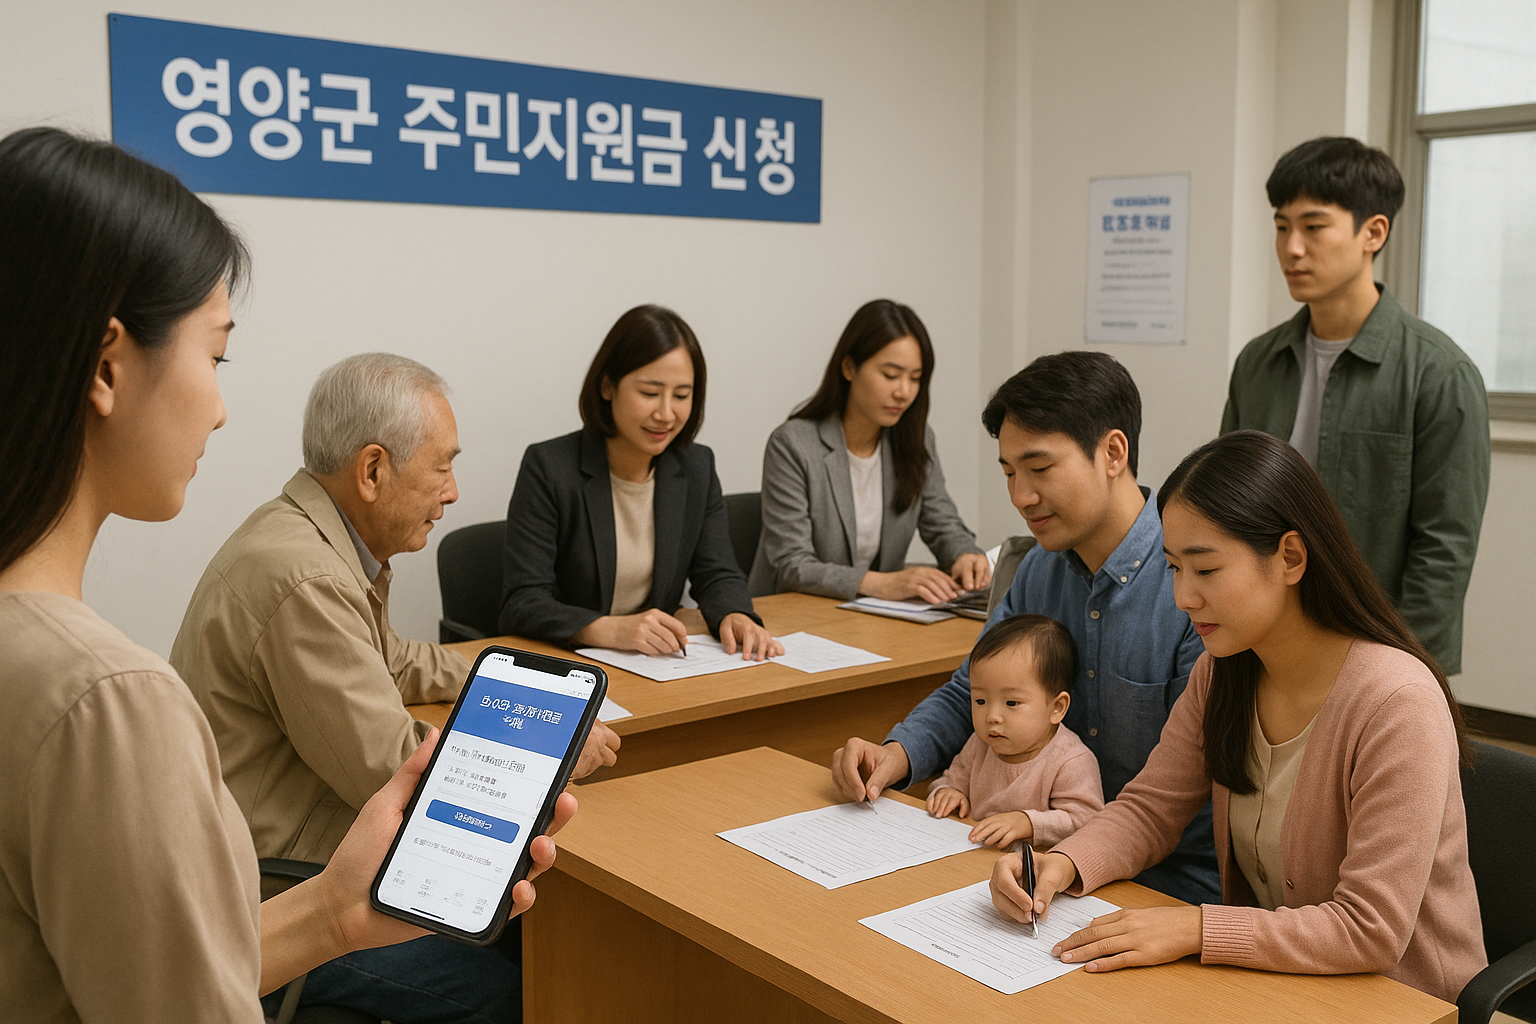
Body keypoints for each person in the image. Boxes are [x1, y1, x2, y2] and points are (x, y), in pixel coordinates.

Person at [0, 126, 571, 1023]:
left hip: (292, 891)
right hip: (279, 861)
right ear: (109, 365)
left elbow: (149, 973)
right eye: (215, 355)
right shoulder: (106, 698)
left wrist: (333, 917)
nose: (223, 410)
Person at [172, 353, 616, 1022]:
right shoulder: (307, 577)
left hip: (295, 854)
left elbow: (391, 659)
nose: (455, 491)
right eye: (443, 467)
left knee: (536, 928)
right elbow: (390, 770)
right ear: (374, 469)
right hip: (282, 891)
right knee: (515, 987)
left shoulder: (309, 537)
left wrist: (518, 689)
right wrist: (549, 750)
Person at [991, 430, 1486, 1003]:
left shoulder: (1397, 703)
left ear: (1291, 558)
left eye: (1205, 570)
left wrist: (1198, 928)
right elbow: (1151, 809)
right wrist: (1063, 865)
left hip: (1405, 1001)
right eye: (1174, 568)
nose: (1182, 597)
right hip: (1281, 986)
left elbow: (1368, 930)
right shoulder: (1224, 672)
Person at [832, 352, 1218, 905]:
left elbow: (1183, 790)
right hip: (1034, 866)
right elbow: (972, 687)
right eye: (1010, 473)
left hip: (1163, 880)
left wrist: (1067, 859)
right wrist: (897, 755)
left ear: (1112, 453)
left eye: (1039, 469)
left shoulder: (1186, 580)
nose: (1020, 497)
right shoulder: (1039, 567)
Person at [1222, 136, 1490, 675]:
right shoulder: (1258, 361)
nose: (1292, 247)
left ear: (1374, 232)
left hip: (1373, 647)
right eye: (1281, 226)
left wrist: (1412, 670)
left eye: (1313, 227)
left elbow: (1444, 549)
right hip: (1261, 638)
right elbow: (1225, 505)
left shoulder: (1439, 373)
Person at [501, 304, 781, 660]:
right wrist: (610, 628)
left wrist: (736, 614)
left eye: (681, 396)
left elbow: (717, 572)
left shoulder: (696, 466)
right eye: (650, 393)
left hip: (654, 665)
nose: (666, 413)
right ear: (607, 386)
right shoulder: (550, 467)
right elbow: (522, 602)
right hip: (570, 663)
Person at [749, 299, 989, 602]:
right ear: (849, 367)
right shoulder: (793, 444)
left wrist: (965, 555)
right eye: (890, 375)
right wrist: (879, 584)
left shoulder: (917, 439)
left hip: (873, 620)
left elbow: (943, 524)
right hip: (796, 617)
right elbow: (791, 564)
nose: (904, 392)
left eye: (915, 378)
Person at [925, 613, 1103, 849]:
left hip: (1036, 876)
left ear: (1057, 708)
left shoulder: (1070, 760)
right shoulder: (980, 745)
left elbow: (1087, 821)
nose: (992, 716)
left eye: (1011, 703)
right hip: (973, 861)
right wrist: (948, 792)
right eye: (980, 701)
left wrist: (1028, 823)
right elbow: (952, 779)